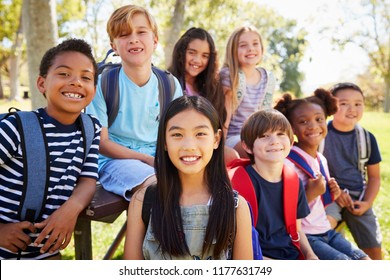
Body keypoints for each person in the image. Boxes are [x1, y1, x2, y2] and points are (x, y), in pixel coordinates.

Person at [0, 38, 101, 259]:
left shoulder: (91, 129)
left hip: (46, 253)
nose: (76, 82)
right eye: (64, 74)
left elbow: (87, 179)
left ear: (94, 89)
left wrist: (71, 209)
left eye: (86, 77)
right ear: (42, 84)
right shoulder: (15, 128)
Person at [124, 95, 253, 260]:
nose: (189, 146)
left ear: (216, 139)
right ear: (164, 141)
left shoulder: (236, 207)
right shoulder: (142, 202)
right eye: (177, 135)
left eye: (200, 133)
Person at [86, 5, 182, 200]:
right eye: (124, 34)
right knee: (157, 188)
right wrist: (146, 159)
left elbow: (179, 132)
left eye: (141, 32)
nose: (133, 39)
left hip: (158, 158)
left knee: (204, 186)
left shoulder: (169, 85)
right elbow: (102, 143)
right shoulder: (104, 83)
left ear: (154, 40)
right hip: (115, 161)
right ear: (114, 46)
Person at [275, 89, 370, 260]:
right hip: (306, 236)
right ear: (291, 128)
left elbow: (317, 205)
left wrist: (331, 194)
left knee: (365, 260)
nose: (313, 126)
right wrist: (311, 193)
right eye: (303, 121)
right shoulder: (288, 163)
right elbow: (280, 210)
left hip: (326, 230)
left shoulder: (320, 159)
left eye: (319, 119)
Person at [240, 109, 318, 260]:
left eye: (280, 134)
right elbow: (238, 245)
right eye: (264, 136)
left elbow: (296, 230)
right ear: (248, 147)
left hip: (291, 255)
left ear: (291, 142)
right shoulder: (240, 183)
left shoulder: (293, 180)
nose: (274, 141)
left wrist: (310, 255)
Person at [322, 82, 382, 260]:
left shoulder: (367, 138)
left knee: (373, 250)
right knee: (322, 232)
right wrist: (334, 192)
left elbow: (374, 177)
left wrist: (367, 203)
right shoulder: (320, 134)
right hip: (327, 194)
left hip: (358, 197)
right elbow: (312, 171)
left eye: (358, 104)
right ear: (332, 106)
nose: (352, 109)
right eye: (344, 103)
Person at [168, 27, 239, 164]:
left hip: (206, 144)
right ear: (181, 53)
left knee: (232, 156)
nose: (197, 60)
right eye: (192, 52)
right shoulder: (169, 82)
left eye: (204, 56)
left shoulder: (211, 87)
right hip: (181, 143)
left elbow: (219, 123)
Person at [220, 25, 276, 158]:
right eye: (243, 45)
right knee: (256, 152)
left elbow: (266, 113)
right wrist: (220, 147)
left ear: (262, 48)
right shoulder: (229, 75)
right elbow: (224, 117)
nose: (250, 48)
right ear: (233, 51)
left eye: (255, 44)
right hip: (233, 136)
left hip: (258, 135)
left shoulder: (268, 78)